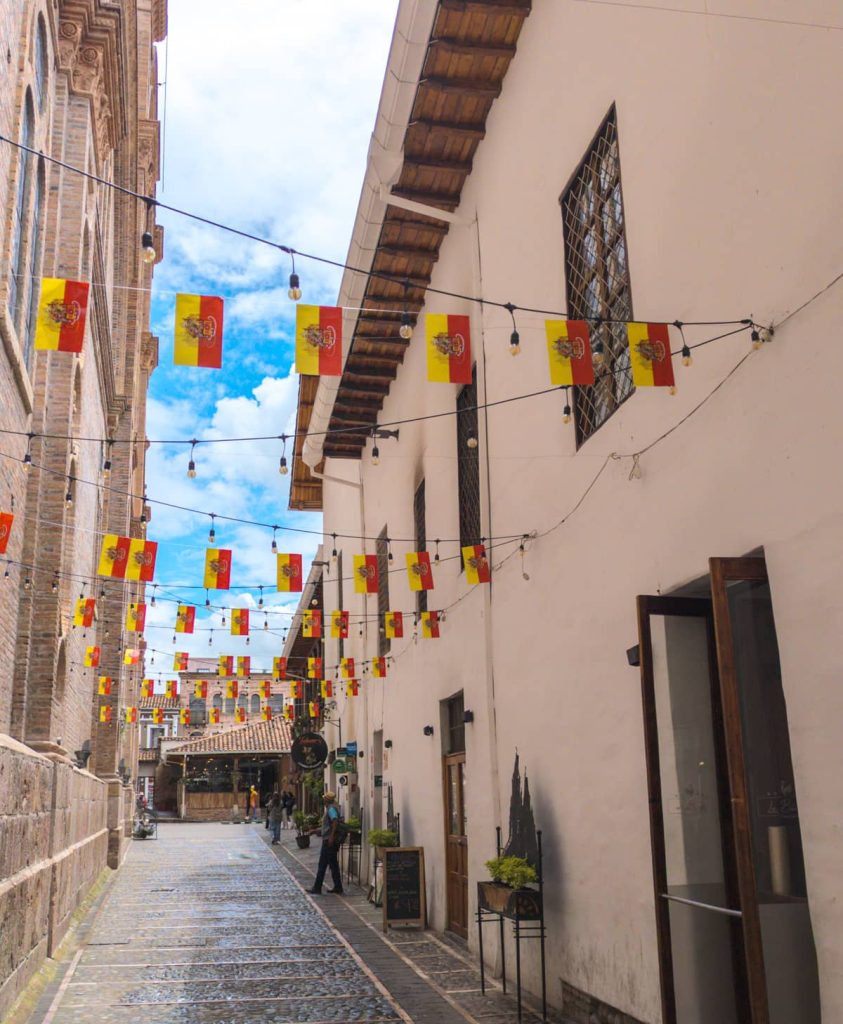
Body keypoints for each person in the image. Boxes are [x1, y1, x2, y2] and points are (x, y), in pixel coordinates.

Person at [306, 792, 343, 895]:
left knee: (323, 865)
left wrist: (331, 836)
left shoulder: (331, 809)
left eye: (324, 799)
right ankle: (337, 887)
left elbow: (335, 821)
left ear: (327, 800)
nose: (323, 801)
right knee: (332, 864)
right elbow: (327, 826)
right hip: (328, 840)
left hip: (328, 841)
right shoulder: (331, 808)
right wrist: (315, 831)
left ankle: (317, 888)